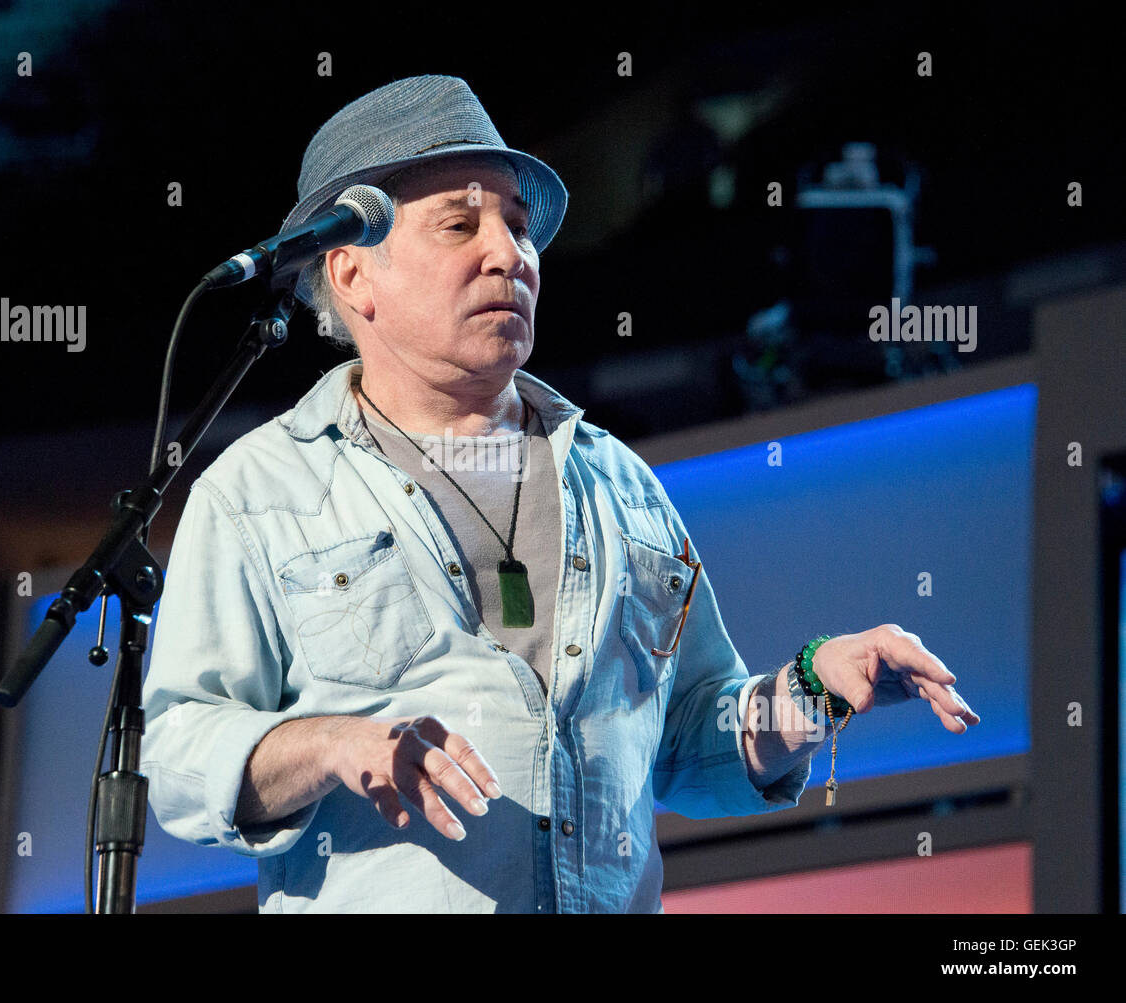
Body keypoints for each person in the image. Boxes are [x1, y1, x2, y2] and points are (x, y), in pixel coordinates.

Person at [141, 75, 979, 913]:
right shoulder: (261, 490)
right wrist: (332, 745)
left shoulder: (620, 485)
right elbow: (180, 756)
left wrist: (812, 687)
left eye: (516, 223)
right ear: (355, 274)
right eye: (461, 224)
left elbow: (692, 739)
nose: (508, 252)